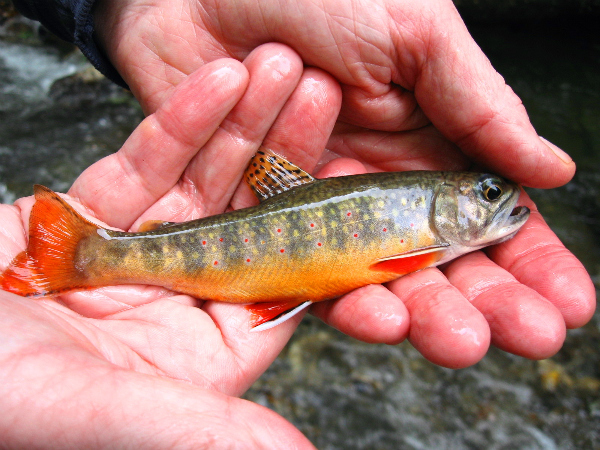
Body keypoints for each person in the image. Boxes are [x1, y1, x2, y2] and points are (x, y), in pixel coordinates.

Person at [2, 0, 595, 447]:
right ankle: (88, 257)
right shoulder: (423, 237)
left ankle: (86, 258)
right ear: (444, 203)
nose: (503, 199)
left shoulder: (429, 226)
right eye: (489, 193)